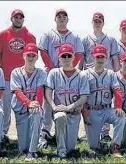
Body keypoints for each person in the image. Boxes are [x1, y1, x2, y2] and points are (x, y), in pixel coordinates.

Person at [38, 9, 84, 148]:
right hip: (51, 72)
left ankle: (67, 131)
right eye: (59, 16)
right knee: (48, 102)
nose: (62, 18)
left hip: (69, 73)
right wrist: (53, 68)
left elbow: (79, 54)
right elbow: (42, 51)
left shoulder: (74, 36)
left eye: (64, 16)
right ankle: (45, 131)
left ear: (67, 19)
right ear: (55, 19)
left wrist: (69, 68)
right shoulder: (48, 34)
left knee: (68, 99)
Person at [0, 9, 36, 143]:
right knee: (5, 109)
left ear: (23, 19)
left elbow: (33, 56)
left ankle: (27, 135)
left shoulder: (30, 36)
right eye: (16, 17)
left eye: (20, 17)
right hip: (6, 78)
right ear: (11, 19)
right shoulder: (2, 35)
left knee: (24, 108)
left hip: (24, 79)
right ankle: (2, 134)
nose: (18, 19)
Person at [44, 44, 89, 158]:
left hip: (74, 113)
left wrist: (69, 107)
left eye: (69, 55)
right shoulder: (54, 72)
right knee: (60, 117)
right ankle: (60, 150)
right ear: (59, 58)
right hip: (60, 111)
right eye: (64, 56)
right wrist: (54, 107)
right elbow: (48, 92)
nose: (67, 58)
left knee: (71, 149)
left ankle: (63, 144)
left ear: (74, 57)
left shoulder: (82, 75)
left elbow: (84, 97)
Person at [82, 44, 126, 158]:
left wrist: (118, 106)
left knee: (121, 117)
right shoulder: (85, 74)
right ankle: (99, 142)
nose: (100, 59)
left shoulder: (111, 73)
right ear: (93, 57)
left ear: (106, 58)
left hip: (107, 109)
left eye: (102, 57)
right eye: (98, 57)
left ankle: (115, 147)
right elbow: (82, 97)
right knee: (93, 147)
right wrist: (85, 114)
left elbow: (117, 90)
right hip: (92, 111)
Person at [9, 43, 46, 160]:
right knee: (22, 147)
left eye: (33, 55)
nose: (30, 58)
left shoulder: (41, 73)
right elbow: (17, 91)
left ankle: (32, 151)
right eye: (28, 55)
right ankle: (36, 142)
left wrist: (36, 104)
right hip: (20, 109)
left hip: (34, 107)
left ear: (37, 57)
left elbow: (40, 92)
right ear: (23, 56)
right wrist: (28, 102)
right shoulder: (15, 72)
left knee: (36, 113)